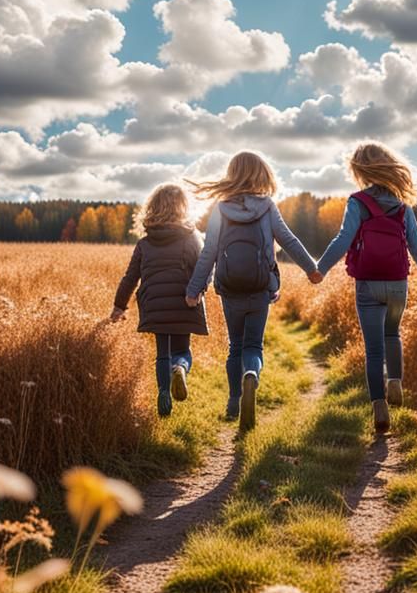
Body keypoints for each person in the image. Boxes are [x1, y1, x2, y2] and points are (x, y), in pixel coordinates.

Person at [186, 151, 319, 431]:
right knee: (253, 346)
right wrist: (311, 268)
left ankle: (234, 401)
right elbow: (289, 240)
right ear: (262, 174)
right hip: (260, 288)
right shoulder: (267, 206)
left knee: (235, 346)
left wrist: (194, 288)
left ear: (232, 175)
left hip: (230, 288)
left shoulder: (221, 208)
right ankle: (251, 374)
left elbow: (209, 251)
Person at [315, 143, 417, 433]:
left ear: (360, 171)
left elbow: (343, 240)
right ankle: (395, 382)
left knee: (373, 351)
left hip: (368, 284)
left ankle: (379, 408)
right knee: (392, 334)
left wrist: (320, 269)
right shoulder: (401, 203)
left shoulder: (357, 202)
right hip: (398, 283)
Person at [111, 183, 206, 418]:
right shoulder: (192, 237)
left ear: (152, 208)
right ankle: (180, 368)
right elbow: (203, 268)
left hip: (155, 304)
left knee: (162, 352)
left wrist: (119, 306)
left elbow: (130, 277)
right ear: (184, 208)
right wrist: (199, 291)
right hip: (185, 301)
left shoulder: (144, 243)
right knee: (183, 349)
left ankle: (163, 393)